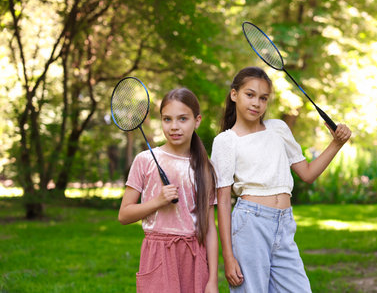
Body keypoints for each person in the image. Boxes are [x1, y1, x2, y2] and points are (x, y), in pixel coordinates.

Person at [211, 66, 352, 292]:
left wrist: (336, 144)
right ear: (234, 94)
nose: (257, 103)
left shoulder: (278, 128)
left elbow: (307, 173)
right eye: (250, 95)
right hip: (250, 224)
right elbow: (224, 200)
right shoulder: (226, 141)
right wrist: (228, 257)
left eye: (263, 98)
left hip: (284, 223)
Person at [118, 88, 219, 293]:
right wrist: (157, 201)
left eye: (183, 119)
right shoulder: (144, 160)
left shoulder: (204, 167)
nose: (174, 127)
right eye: (167, 119)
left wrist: (212, 281)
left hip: (193, 255)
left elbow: (209, 227)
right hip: (157, 254)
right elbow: (124, 215)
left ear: (197, 121)